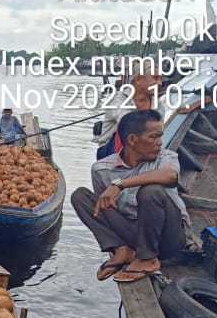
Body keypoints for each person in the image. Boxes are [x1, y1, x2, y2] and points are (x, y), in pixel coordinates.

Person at [72, 109, 191, 283]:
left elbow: (170, 176)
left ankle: (148, 259)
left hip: (168, 238)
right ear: (132, 140)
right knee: (80, 196)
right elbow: (104, 208)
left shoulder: (166, 157)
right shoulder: (101, 169)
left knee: (151, 191)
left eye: (160, 136)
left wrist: (120, 185)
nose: (160, 142)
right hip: (132, 233)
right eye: (154, 137)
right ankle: (122, 250)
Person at [95, 59, 161, 159]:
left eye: (160, 79)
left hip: (141, 147)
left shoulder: (157, 104)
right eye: (155, 78)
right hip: (109, 152)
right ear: (138, 79)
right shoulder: (118, 100)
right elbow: (128, 125)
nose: (160, 83)